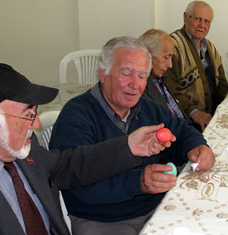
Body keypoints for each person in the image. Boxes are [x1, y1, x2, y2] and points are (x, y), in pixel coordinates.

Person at [0, 63, 175, 235]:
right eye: (27, 115)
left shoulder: (15, 149)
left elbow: (66, 166)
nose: (36, 125)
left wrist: (129, 146)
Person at [49, 36, 215, 235]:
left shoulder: (149, 110)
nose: (135, 85)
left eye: (142, 76)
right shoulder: (76, 115)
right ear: (103, 74)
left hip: (155, 208)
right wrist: (139, 183)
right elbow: (72, 180)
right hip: (103, 219)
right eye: (126, 73)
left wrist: (197, 147)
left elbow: (182, 131)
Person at [165, 1, 228, 132]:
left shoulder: (210, 48)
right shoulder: (172, 46)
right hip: (187, 120)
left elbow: (222, 84)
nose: (202, 25)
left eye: (207, 21)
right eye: (198, 19)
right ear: (185, 17)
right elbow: (169, 89)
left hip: (211, 117)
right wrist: (194, 112)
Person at [139, 29, 191, 124]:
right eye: (166, 57)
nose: (170, 65)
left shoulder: (159, 78)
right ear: (148, 54)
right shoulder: (140, 89)